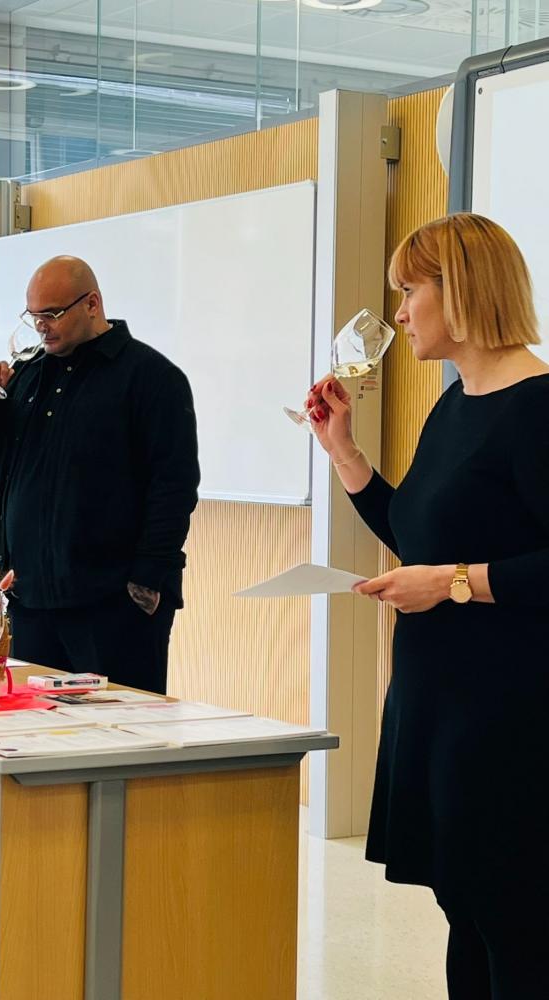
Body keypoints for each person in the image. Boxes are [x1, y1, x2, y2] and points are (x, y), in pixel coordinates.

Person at [306, 213, 549, 999]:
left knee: (513, 922)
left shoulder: (538, 408)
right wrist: (344, 452)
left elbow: (458, 568)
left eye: (410, 291)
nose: (400, 312)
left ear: (462, 289)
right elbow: (418, 534)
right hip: (436, 703)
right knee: (464, 910)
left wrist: (453, 583)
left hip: (507, 715)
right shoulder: (455, 405)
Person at [0, 255, 199, 693]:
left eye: (52, 314)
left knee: (117, 728)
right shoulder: (25, 376)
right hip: (28, 602)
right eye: (33, 316)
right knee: (30, 726)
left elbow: (173, 488)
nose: (41, 327)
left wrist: (145, 582)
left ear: (92, 304)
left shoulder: (152, 378)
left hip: (114, 609)